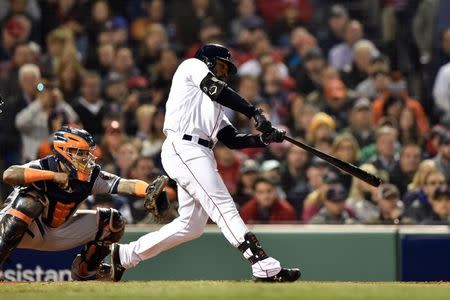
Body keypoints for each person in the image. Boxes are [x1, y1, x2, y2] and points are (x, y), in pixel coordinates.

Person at [110, 43, 300, 282]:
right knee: (223, 204)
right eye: (222, 65)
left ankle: (126, 254)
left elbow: (231, 139)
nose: (224, 72)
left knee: (191, 225)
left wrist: (263, 139)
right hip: (184, 146)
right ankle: (262, 264)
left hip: (199, 151)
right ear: (208, 60)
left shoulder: (214, 103)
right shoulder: (192, 66)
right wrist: (253, 112)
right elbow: (215, 88)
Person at [0, 126, 166, 281]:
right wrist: (52, 176)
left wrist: (148, 190)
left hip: (57, 232)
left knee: (112, 221)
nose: (86, 159)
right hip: (17, 230)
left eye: (87, 153)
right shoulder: (42, 166)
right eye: (81, 153)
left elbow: (125, 184)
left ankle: (87, 273)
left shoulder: (90, 176)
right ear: (65, 151)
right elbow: (9, 174)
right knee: (29, 201)